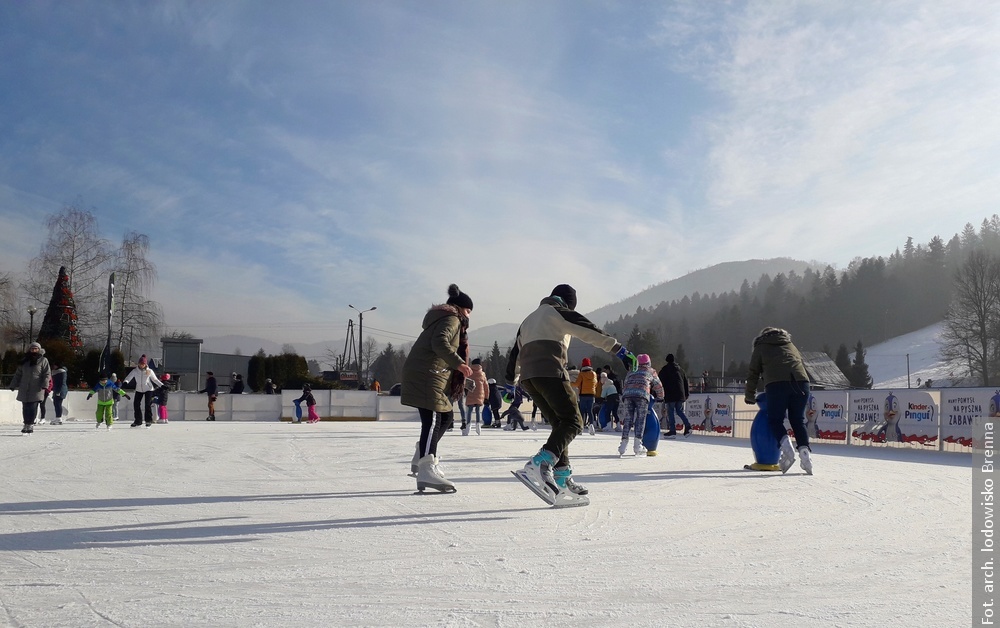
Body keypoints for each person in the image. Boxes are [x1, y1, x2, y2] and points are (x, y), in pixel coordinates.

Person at [506, 284, 633, 507]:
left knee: (559, 424)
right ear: (568, 302)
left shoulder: (528, 320)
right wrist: (618, 349)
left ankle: (562, 477)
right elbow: (588, 330)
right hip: (550, 371)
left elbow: (514, 354)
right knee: (574, 422)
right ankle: (540, 463)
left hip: (530, 378)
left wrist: (511, 384)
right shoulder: (558, 311)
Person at [401, 284, 474, 493]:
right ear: (460, 308)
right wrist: (459, 363)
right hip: (427, 375)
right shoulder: (452, 319)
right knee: (433, 419)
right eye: (468, 311)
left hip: (430, 374)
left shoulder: (443, 318)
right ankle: (426, 469)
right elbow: (439, 343)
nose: (469, 316)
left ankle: (423, 455)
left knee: (446, 417)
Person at [744, 327, 813, 475]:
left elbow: (753, 372)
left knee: (775, 420)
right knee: (797, 421)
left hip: (777, 384)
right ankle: (805, 455)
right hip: (802, 383)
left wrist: (750, 395)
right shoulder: (790, 345)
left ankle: (787, 449)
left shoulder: (761, 346)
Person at [617, 354, 665, 457]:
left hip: (628, 395)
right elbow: (658, 385)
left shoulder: (631, 370)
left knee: (628, 418)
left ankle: (623, 444)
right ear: (648, 362)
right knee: (640, 419)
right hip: (642, 395)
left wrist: (625, 395)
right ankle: (637, 445)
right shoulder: (651, 371)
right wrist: (660, 397)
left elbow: (625, 384)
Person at [10, 342, 51, 435]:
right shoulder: (24, 361)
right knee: (25, 407)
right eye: (32, 349)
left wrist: (45, 384)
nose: (34, 350)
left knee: (32, 407)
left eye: (36, 349)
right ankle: (26, 424)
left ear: (39, 350)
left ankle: (30, 424)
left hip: (36, 388)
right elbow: (18, 374)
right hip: (24, 387)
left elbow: (47, 373)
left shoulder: (43, 360)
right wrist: (13, 384)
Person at [121, 355, 165, 427]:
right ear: (138, 364)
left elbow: (155, 380)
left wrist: (162, 385)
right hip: (139, 389)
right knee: (136, 404)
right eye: (140, 364)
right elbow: (129, 377)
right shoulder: (135, 371)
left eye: (143, 364)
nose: (141, 365)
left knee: (147, 404)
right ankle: (138, 421)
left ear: (145, 364)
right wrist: (126, 382)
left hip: (148, 389)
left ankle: (148, 420)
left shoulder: (149, 371)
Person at [658, 353, 692, 438]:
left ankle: (672, 431)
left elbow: (659, 381)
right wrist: (686, 393)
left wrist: (658, 393)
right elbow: (685, 382)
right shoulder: (680, 370)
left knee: (670, 412)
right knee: (679, 411)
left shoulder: (665, 370)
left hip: (670, 394)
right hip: (680, 394)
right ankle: (688, 426)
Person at [573, 358, 599, 435]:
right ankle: (591, 426)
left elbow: (577, 384)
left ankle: (581, 427)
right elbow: (596, 384)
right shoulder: (594, 374)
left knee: (582, 411)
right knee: (590, 411)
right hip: (591, 395)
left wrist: (569, 383)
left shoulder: (581, 374)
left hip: (583, 395)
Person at [463, 358, 488, 435]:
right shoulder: (482, 374)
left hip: (471, 393)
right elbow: (486, 386)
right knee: (478, 411)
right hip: (480, 395)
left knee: (469, 411)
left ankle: (468, 426)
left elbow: (465, 382)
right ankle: (478, 426)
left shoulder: (469, 372)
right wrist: (486, 397)